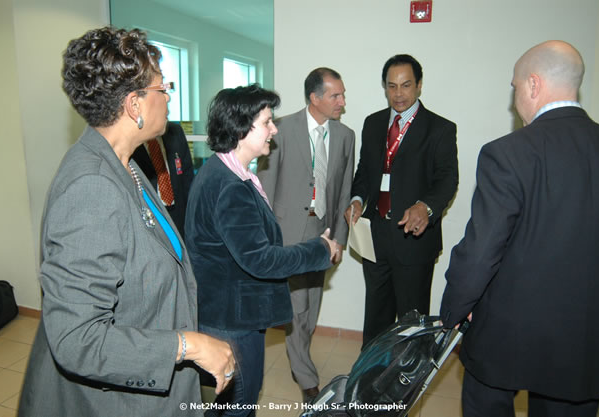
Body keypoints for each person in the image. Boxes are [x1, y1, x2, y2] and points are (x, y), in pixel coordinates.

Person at [18, 27, 235, 417]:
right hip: (118, 403)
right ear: (135, 105)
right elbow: (78, 338)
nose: (168, 97)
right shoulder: (92, 186)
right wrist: (187, 345)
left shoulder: (127, 164)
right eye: (162, 88)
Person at [440, 40, 599, 417]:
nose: (514, 96)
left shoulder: (507, 153)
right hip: (587, 335)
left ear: (533, 84)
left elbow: (482, 250)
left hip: (507, 333)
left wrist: (454, 310)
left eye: (514, 87)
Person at [184, 84, 339, 416]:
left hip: (230, 312)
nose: (274, 130)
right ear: (242, 128)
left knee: (231, 402)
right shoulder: (229, 187)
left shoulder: (225, 171)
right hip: (231, 319)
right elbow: (262, 260)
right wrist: (320, 249)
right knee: (240, 403)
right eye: (267, 122)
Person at [346, 54, 458, 347]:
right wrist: (357, 199)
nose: (398, 94)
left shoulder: (440, 129)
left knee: (411, 324)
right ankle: (370, 380)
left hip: (414, 237)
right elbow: (364, 172)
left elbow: (447, 179)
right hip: (376, 236)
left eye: (406, 85)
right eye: (391, 86)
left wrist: (427, 206)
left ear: (419, 86)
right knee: (376, 320)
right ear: (384, 87)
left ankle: (405, 383)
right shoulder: (373, 124)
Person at [257, 67, 355, 402]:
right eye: (335, 95)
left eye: (342, 95)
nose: (342, 101)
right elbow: (266, 187)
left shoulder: (345, 136)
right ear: (315, 98)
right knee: (297, 309)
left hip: (322, 231)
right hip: (288, 232)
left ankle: (300, 358)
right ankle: (307, 378)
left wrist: (339, 238)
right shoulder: (281, 129)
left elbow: (344, 191)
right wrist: (268, 238)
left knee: (311, 307)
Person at [132, 121, 194, 240]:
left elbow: (188, 180)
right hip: (152, 221)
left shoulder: (175, 132)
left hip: (179, 217)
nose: (167, 103)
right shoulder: (132, 141)